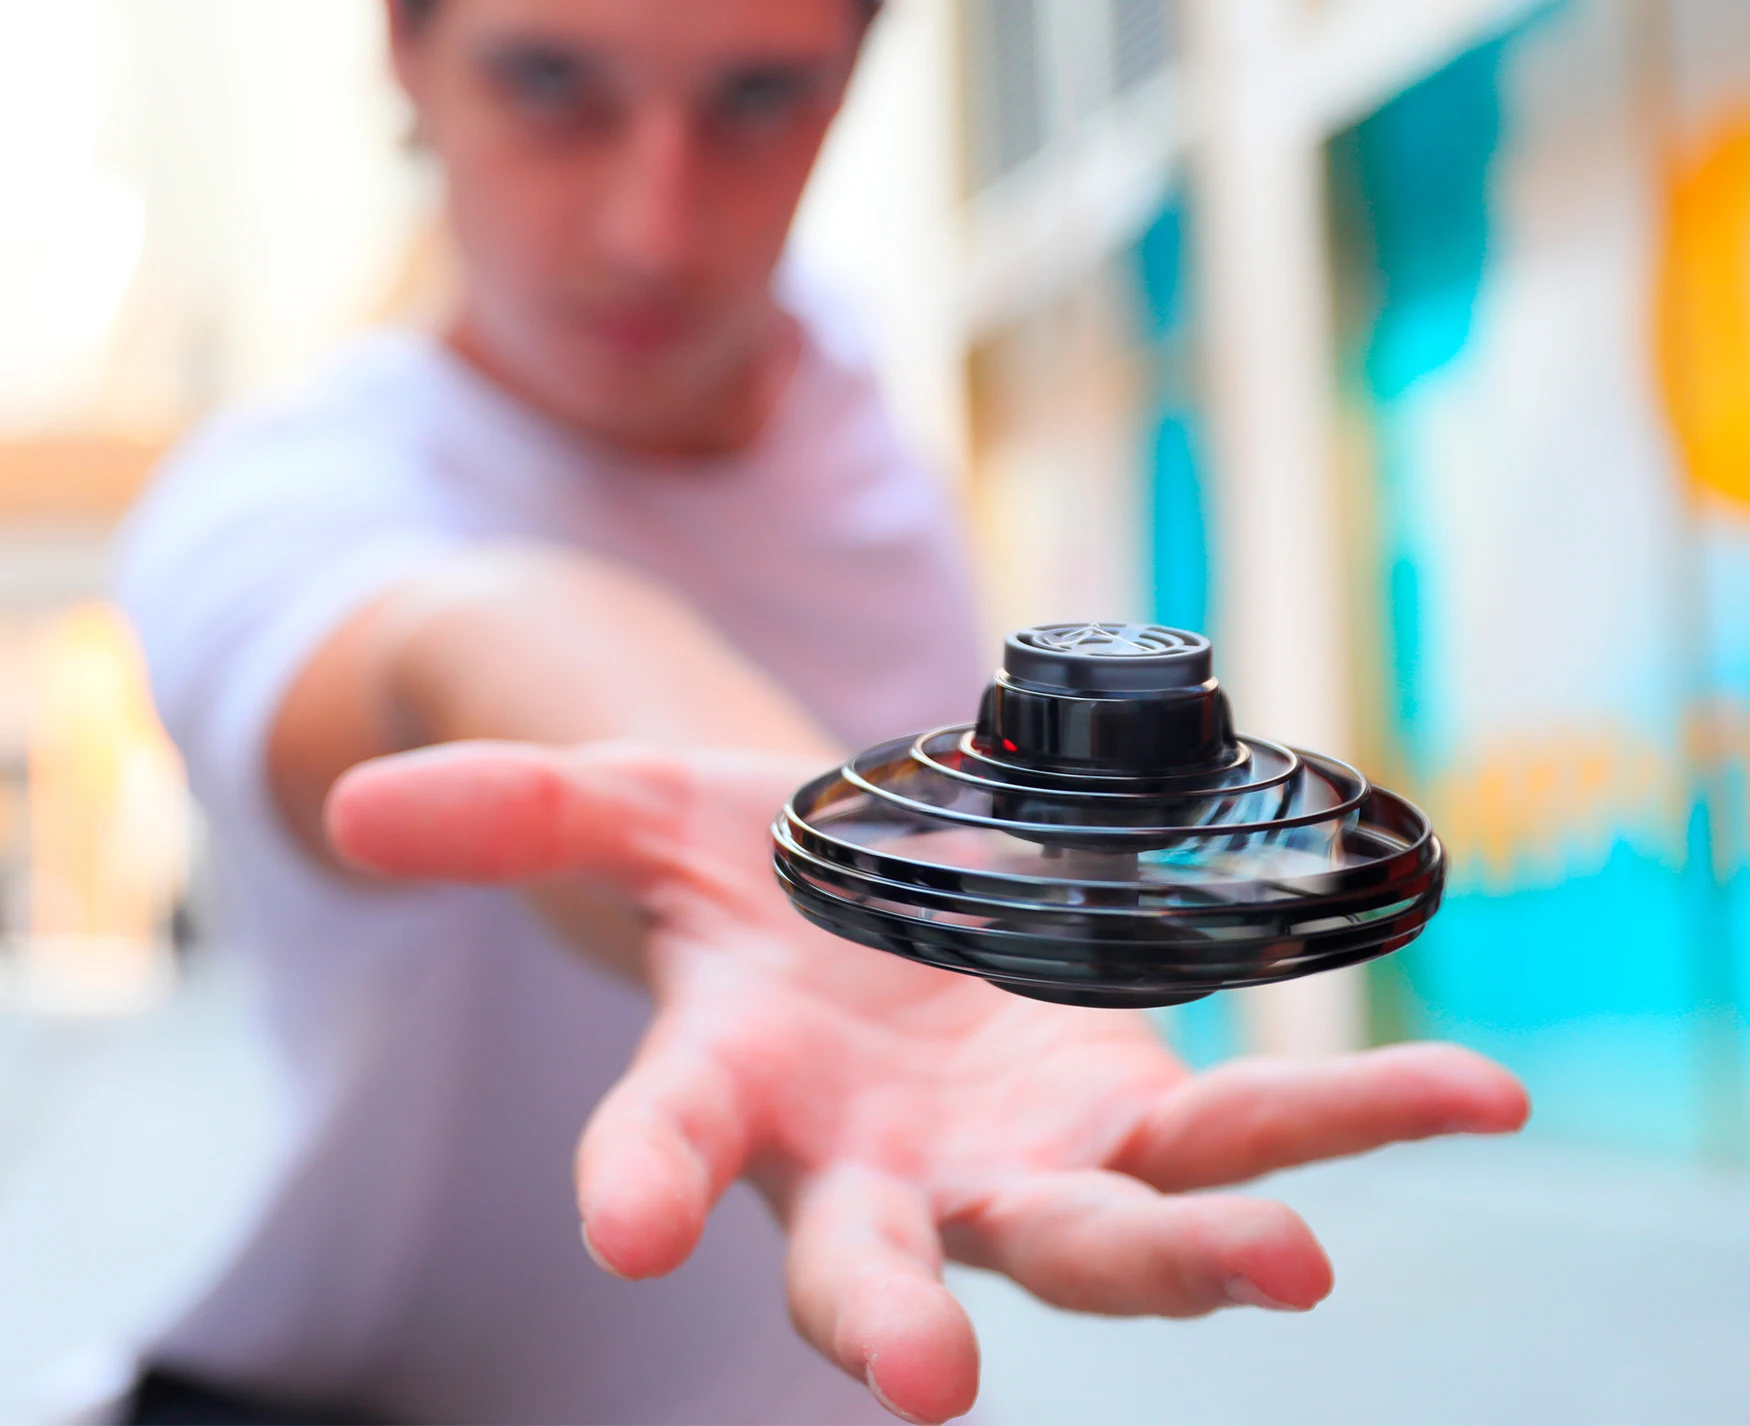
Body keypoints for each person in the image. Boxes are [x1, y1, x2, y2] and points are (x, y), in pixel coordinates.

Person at [117, 1, 1531, 1422]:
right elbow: (492, 631)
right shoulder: (266, 500)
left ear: (851, 78)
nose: (649, 226)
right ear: (404, 56)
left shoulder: (867, 431)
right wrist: (773, 859)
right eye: (552, 82)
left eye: (753, 98)